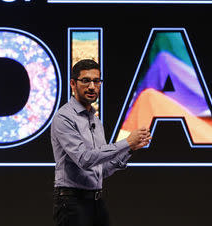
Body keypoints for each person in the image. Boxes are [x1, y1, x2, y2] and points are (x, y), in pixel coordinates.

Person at [51, 59, 151, 226]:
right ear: (73, 84)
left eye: (96, 81)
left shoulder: (96, 121)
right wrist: (126, 142)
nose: (92, 86)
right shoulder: (64, 117)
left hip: (96, 201)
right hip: (72, 203)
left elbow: (101, 170)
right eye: (86, 80)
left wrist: (130, 149)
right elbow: (85, 159)